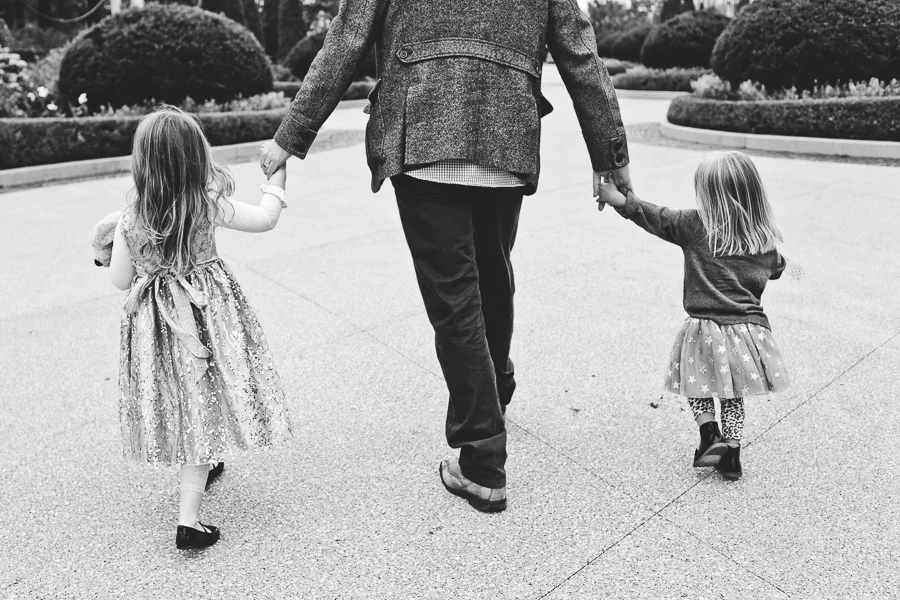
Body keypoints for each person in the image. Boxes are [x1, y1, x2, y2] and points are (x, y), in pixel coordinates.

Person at [259, 0, 631, 512]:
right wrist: (611, 155)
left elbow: (347, 39)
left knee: (454, 295)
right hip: (506, 138)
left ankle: (482, 461)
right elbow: (581, 56)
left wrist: (290, 136)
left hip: (423, 134)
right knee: (494, 275)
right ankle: (494, 389)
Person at [109, 107, 294, 548]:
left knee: (185, 397)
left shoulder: (129, 218)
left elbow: (119, 280)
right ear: (196, 157)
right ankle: (188, 522)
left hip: (157, 326)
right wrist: (278, 179)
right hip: (207, 318)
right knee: (202, 397)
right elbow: (266, 218)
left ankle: (206, 459)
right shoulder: (205, 204)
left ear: (142, 161)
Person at [598, 151, 791, 481]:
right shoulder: (764, 242)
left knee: (696, 384)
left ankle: (708, 433)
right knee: (732, 396)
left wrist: (617, 198)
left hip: (705, 330)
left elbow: (654, 216)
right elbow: (777, 269)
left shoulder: (693, 225)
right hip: (746, 334)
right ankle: (731, 456)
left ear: (708, 195)